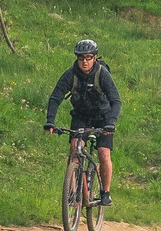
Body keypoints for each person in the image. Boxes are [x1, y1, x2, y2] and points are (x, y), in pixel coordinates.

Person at [44, 39, 119, 204]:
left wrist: (111, 122)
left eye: (88, 58)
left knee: (103, 153)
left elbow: (116, 101)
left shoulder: (102, 74)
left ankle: (105, 192)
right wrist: (50, 121)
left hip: (103, 117)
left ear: (95, 57)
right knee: (75, 150)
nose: (84, 61)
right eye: (81, 58)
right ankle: (73, 192)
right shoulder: (71, 74)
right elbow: (55, 97)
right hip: (81, 117)